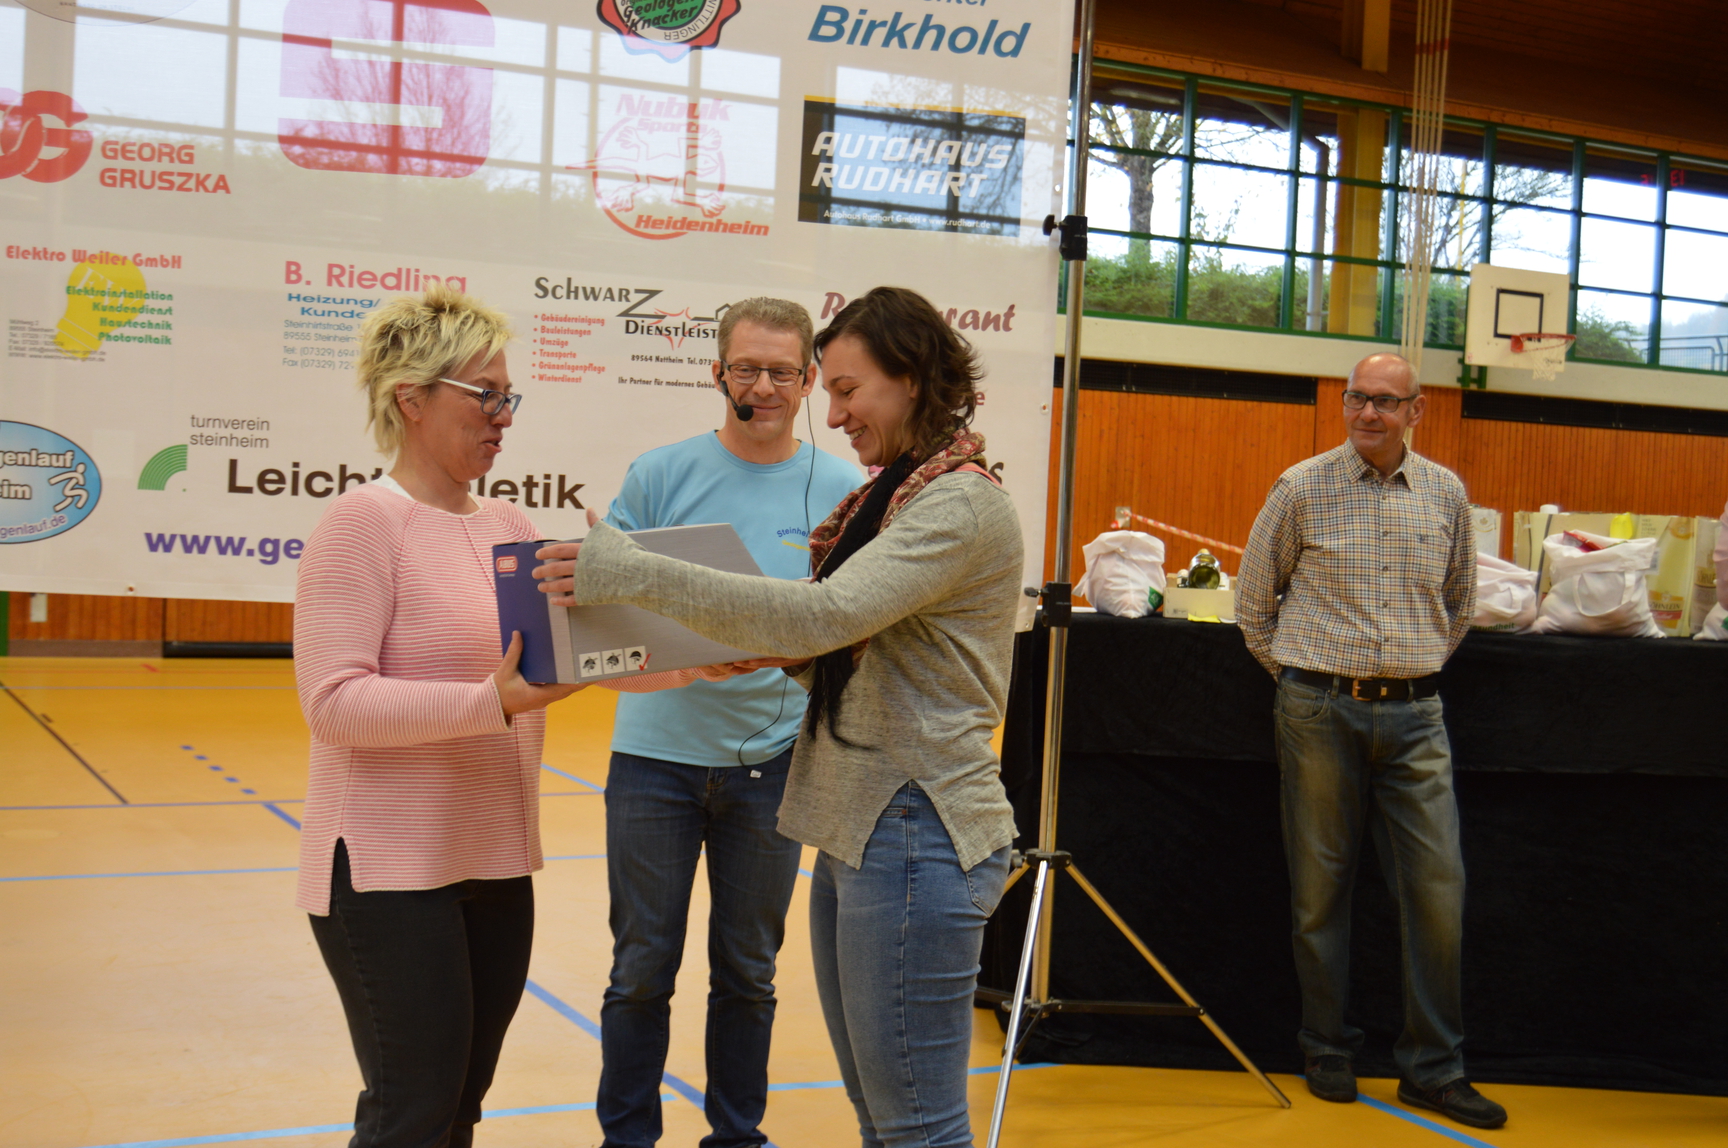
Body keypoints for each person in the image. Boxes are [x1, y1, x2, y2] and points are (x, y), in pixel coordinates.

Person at [535, 286, 1023, 1148]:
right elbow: (851, 640)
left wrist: (635, 570)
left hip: (914, 824)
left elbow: (825, 615)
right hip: (861, 820)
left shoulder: (955, 503)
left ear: (911, 379)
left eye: (845, 390)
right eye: (825, 390)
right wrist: (759, 649)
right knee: (884, 1117)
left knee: (912, 1124)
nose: (829, 415)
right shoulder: (897, 495)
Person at [292, 284, 586, 1148]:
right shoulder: (360, 524)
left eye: (509, 396)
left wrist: (688, 661)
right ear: (410, 399)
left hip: (494, 860)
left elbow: (558, 665)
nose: (504, 416)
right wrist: (488, 702)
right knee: (412, 1114)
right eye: (484, 395)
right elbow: (333, 704)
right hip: (385, 872)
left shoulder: (509, 522)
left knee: (458, 1108)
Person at [592, 296, 860, 1148]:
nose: (764, 386)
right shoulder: (659, 475)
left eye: (782, 371)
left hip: (774, 767)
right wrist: (683, 658)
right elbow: (601, 611)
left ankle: (736, 1137)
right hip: (654, 762)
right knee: (640, 971)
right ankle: (626, 1139)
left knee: (748, 974)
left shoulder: (844, 491)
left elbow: (855, 623)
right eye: (747, 369)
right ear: (719, 374)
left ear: (810, 380)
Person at [1236, 352, 1506, 1130]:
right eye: (1358, 398)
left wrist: (1406, 669)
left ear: (1417, 411)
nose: (1368, 413)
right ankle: (1327, 1046)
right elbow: (1253, 607)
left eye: (1386, 401)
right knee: (1320, 890)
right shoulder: (1300, 488)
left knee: (1438, 892)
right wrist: (1306, 682)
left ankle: (1434, 1069)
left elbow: (1459, 603)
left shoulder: (1446, 493)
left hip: (1418, 717)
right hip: (1320, 710)